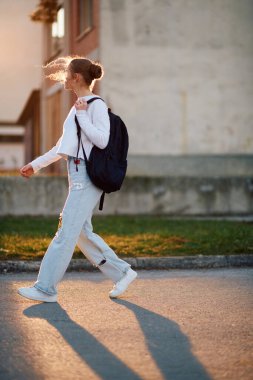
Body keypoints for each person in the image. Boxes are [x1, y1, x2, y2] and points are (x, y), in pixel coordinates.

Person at [18, 56, 137, 303]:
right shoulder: (77, 107)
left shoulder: (95, 106)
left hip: (86, 176)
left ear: (77, 78)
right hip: (76, 174)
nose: (63, 78)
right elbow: (63, 146)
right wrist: (35, 165)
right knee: (81, 233)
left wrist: (83, 117)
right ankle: (122, 272)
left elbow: (102, 140)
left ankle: (45, 288)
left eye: (66, 73)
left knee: (65, 234)